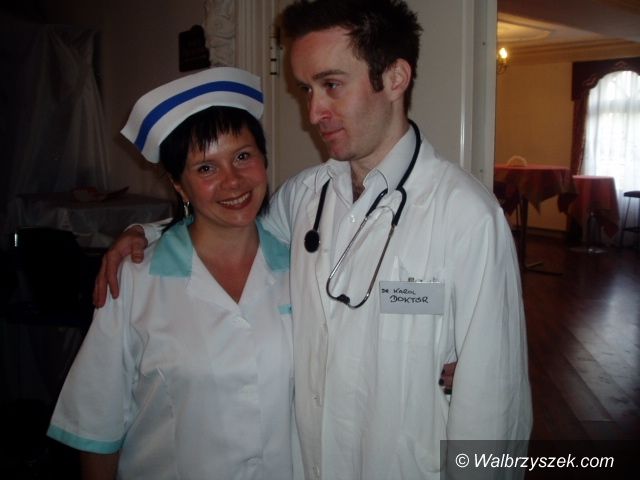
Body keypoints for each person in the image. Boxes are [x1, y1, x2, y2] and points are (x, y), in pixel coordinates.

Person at [94, 1, 533, 478]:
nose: (314, 112)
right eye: (307, 89)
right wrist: (147, 235)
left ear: (395, 78)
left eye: (331, 85)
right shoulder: (306, 197)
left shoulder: (468, 218)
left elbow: (494, 407)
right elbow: (229, 225)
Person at [47, 67, 299, 480]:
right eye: (206, 168)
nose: (233, 181)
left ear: (264, 160)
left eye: (242, 156)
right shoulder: (134, 278)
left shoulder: (301, 267)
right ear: (179, 186)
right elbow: (98, 424)